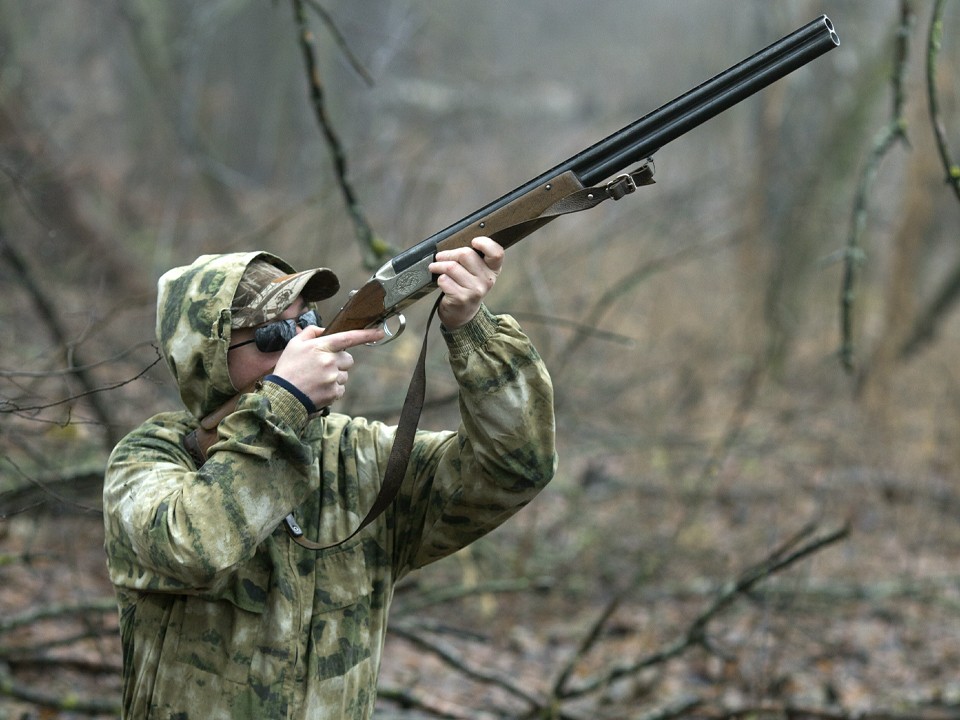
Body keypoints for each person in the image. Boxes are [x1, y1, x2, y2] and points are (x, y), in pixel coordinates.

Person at [102, 237, 557, 718]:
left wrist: (471, 329)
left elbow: (515, 467)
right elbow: (197, 546)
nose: (304, 343)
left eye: (308, 323)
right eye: (273, 336)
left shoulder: (357, 461)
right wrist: (284, 404)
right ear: (206, 358)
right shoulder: (148, 463)